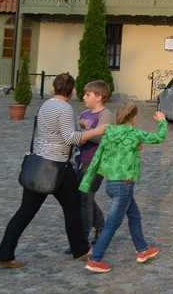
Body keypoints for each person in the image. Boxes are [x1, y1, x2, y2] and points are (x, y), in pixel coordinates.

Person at [0, 73, 107, 268]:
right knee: (72, 209)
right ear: (71, 91)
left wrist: (78, 125)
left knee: (25, 212)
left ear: (54, 88)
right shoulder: (64, 108)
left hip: (39, 164)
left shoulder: (45, 105)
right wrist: (96, 131)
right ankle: (80, 250)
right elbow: (70, 138)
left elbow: (52, 129)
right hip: (58, 167)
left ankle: (4, 254)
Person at [81, 101, 167, 273]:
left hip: (112, 183)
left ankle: (142, 250)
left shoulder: (109, 132)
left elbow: (101, 155)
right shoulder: (134, 133)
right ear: (134, 117)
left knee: (134, 216)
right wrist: (162, 121)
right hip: (124, 186)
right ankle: (95, 260)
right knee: (112, 224)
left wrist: (88, 179)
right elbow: (159, 137)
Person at [75, 80, 115, 245]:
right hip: (80, 161)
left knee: (85, 199)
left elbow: (101, 137)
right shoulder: (84, 114)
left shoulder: (106, 115)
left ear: (98, 97)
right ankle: (100, 225)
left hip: (95, 163)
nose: (84, 97)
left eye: (87, 94)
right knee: (83, 197)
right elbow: (75, 134)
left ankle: (82, 239)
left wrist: (83, 132)